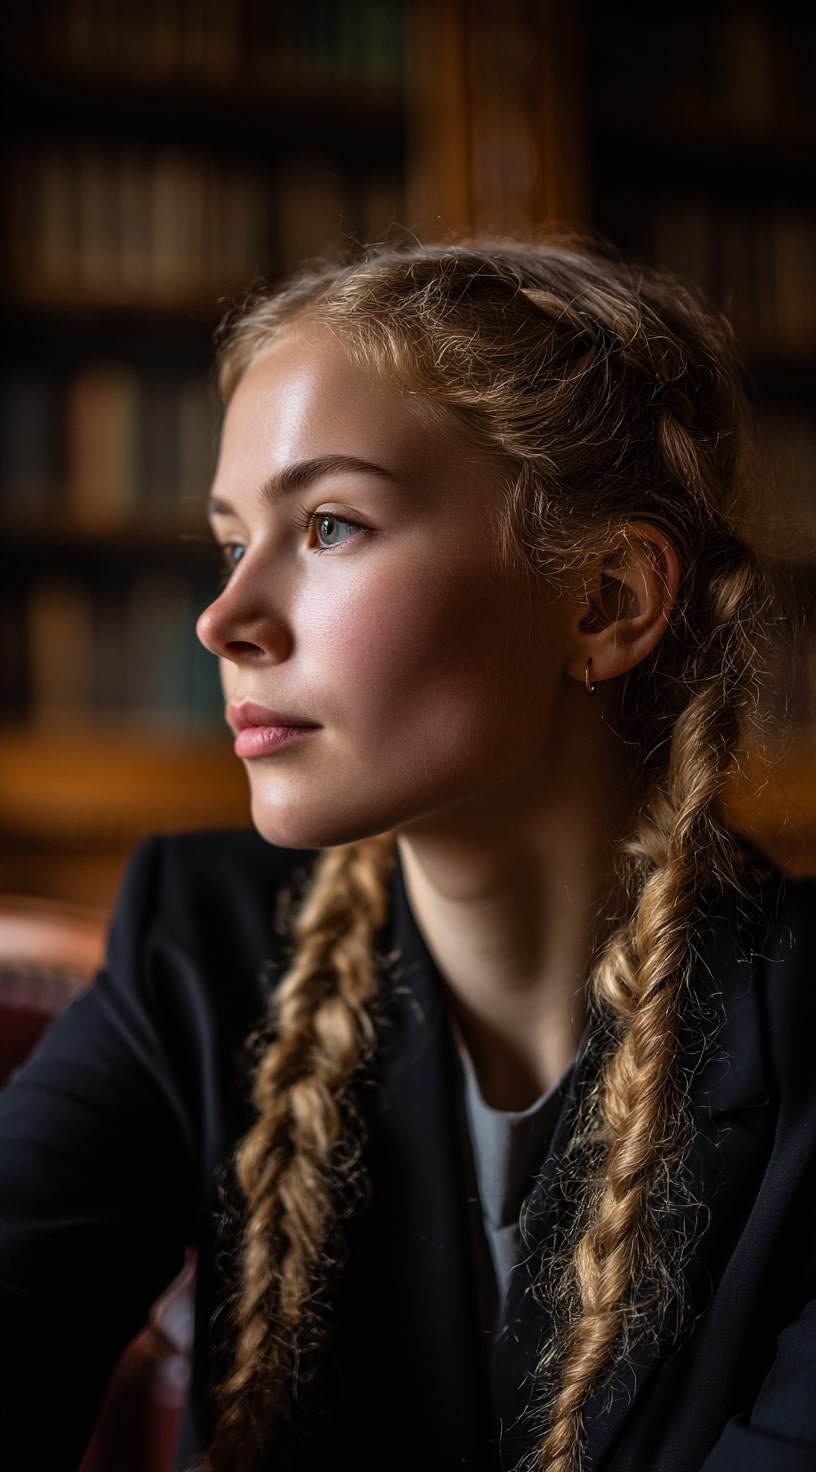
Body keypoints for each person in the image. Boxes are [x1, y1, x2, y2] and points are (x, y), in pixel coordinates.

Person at [1, 237, 814, 1472]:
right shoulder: (203, 945)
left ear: (605, 601)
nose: (225, 619)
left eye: (329, 524)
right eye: (232, 540)